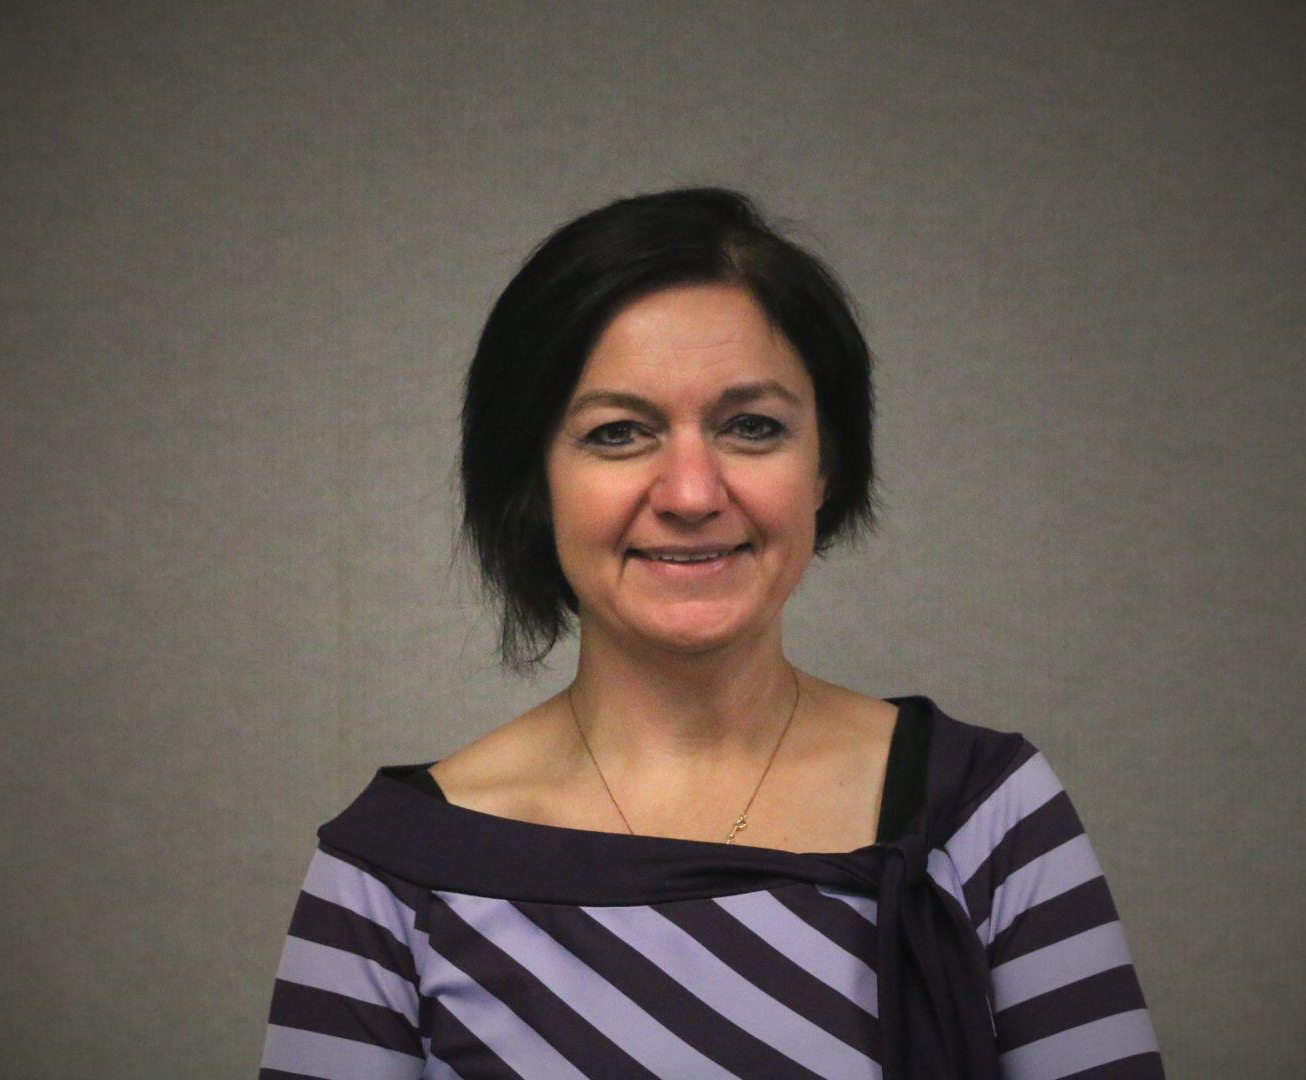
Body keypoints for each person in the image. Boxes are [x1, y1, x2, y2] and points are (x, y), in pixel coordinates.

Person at [258, 188, 1164, 1080]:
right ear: (533, 484)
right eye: (618, 433)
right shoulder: (387, 872)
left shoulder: (987, 816)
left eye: (751, 427)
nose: (692, 493)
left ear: (826, 465)